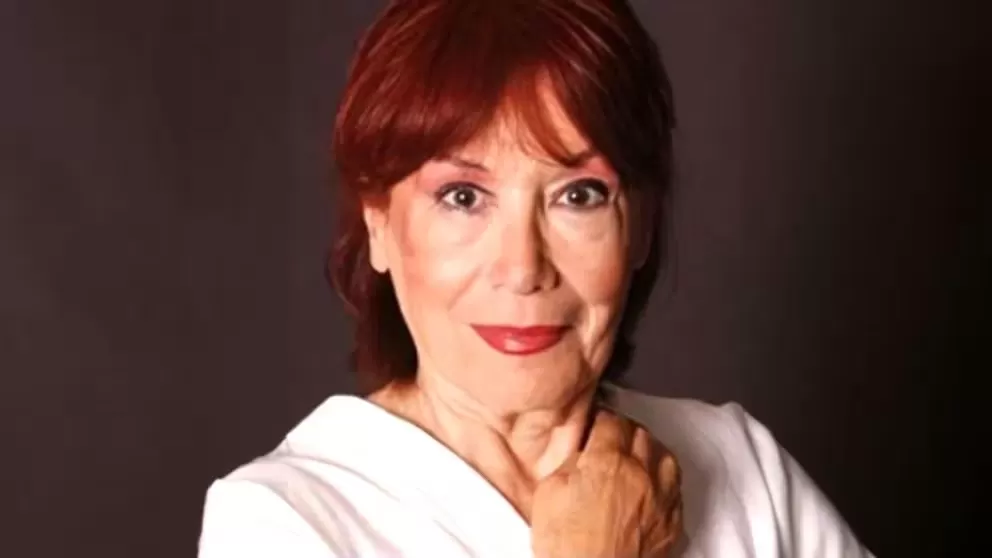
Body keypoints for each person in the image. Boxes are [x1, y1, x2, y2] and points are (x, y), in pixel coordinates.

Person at [197, 0, 874, 556]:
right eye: (463, 196)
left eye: (578, 195)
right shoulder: (282, 522)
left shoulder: (742, 467)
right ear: (379, 224)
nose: (523, 268)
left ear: (641, 226)